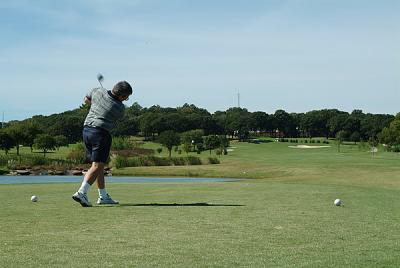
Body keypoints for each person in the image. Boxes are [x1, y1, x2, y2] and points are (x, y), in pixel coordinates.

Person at [72, 81, 133, 207]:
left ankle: (103, 196)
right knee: (97, 166)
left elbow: (86, 100)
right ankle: (81, 192)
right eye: (127, 97)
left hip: (86, 131)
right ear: (121, 96)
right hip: (101, 133)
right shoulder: (119, 108)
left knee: (98, 165)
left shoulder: (97, 90)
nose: (127, 99)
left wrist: (96, 103)